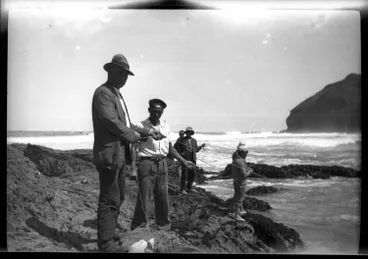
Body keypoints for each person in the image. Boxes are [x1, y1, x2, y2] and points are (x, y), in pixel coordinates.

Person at [91, 54, 161, 252]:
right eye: (121, 73)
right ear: (110, 71)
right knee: (109, 198)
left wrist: (147, 132)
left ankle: (110, 233)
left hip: (120, 157)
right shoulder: (103, 93)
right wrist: (132, 136)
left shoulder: (116, 94)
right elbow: (110, 121)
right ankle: (105, 244)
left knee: (119, 195)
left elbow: (125, 123)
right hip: (110, 156)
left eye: (126, 74)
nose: (124, 77)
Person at [130, 99, 196, 231]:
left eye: (159, 112)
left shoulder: (166, 126)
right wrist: (133, 167)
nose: (157, 115)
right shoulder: (140, 126)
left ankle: (163, 226)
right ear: (149, 110)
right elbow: (133, 146)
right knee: (144, 197)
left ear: (162, 112)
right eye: (154, 112)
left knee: (163, 197)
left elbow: (170, 148)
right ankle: (139, 227)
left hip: (162, 164)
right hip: (146, 163)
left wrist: (183, 160)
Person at [179, 126, 205, 194]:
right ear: (186, 133)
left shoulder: (194, 141)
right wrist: (180, 154)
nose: (189, 134)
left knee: (192, 174)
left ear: (191, 133)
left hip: (192, 158)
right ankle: (182, 189)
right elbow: (176, 147)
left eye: (190, 132)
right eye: (187, 132)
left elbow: (195, 150)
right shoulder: (182, 140)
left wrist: (200, 147)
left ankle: (189, 188)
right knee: (184, 174)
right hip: (185, 158)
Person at [231, 141, 253, 221]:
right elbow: (244, 175)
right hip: (241, 182)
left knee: (237, 196)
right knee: (239, 198)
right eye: (246, 152)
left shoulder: (236, 159)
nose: (247, 154)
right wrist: (250, 171)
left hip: (236, 181)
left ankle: (238, 211)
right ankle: (237, 215)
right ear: (242, 152)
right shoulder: (240, 161)